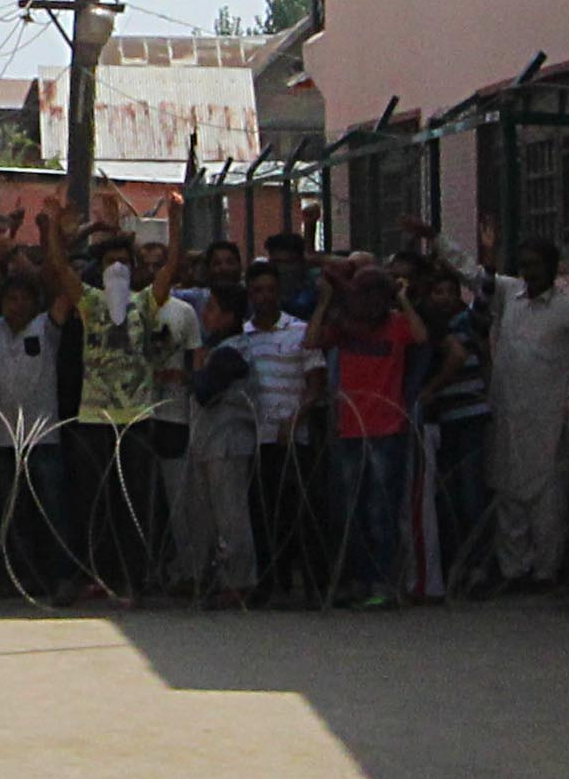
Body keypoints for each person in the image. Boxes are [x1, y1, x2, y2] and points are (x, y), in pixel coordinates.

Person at [477, 237, 569, 589]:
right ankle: (514, 570)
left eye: (537, 265)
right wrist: (434, 241)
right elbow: (473, 275)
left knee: (547, 497)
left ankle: (545, 571)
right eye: (525, 265)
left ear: (553, 268)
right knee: (508, 494)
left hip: (545, 416)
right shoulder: (509, 296)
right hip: (508, 412)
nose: (530, 273)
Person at [68, 232, 199, 604]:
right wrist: (53, 235)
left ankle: (133, 579)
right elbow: (59, 275)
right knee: (96, 502)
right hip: (94, 417)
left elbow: (171, 269)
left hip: (137, 417)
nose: (117, 268)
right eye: (111, 262)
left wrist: (176, 222)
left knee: (134, 501)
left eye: (124, 263)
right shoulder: (91, 303)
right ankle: (98, 575)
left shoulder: (145, 304)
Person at [308, 261, 426, 607]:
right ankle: (359, 579)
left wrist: (402, 301)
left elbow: (421, 336)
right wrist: (325, 303)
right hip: (350, 427)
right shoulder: (345, 329)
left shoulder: (396, 326)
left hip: (387, 428)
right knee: (350, 511)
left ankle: (384, 582)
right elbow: (311, 340)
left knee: (381, 510)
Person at [0, 231, 71, 598]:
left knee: (52, 510)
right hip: (5, 439)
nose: (16, 306)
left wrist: (55, 241)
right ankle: (21, 577)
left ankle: (61, 575)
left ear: (35, 304)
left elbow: (65, 291)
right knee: (12, 514)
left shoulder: (46, 327)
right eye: (10, 299)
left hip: (44, 436)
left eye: (23, 299)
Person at [233, 261, 324, 604]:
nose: (265, 296)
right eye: (258, 291)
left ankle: (312, 586)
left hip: (293, 438)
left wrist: (296, 418)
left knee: (301, 512)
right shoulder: (243, 337)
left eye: (270, 290)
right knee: (264, 513)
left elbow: (316, 385)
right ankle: (273, 583)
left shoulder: (300, 332)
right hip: (259, 438)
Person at [178, 289, 263, 608]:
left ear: (229, 316)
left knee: (231, 515)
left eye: (212, 309)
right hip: (212, 443)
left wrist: (196, 369)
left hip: (226, 443)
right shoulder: (222, 349)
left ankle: (239, 580)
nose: (205, 315)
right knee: (213, 515)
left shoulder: (230, 353)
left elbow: (205, 391)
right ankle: (218, 576)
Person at [415, 269, 495, 598]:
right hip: (443, 420)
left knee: (471, 492)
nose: (446, 298)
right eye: (438, 292)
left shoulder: (466, 323)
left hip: (470, 417)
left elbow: (486, 292)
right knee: (447, 495)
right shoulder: (429, 330)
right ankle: (455, 564)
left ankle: (478, 566)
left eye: (451, 291)